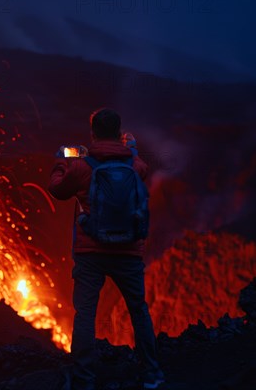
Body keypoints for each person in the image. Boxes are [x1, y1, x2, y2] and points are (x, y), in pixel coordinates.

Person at [48, 108, 165, 390]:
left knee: (85, 314)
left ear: (93, 133)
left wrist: (63, 163)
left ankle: (84, 378)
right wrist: (131, 149)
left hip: (91, 254)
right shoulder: (134, 165)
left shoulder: (81, 166)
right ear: (118, 132)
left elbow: (57, 189)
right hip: (128, 250)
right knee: (139, 309)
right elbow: (142, 169)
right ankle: (151, 374)